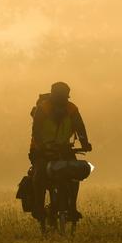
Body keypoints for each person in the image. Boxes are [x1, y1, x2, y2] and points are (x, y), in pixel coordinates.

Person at [29, 82, 92, 231]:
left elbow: (80, 127)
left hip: (64, 149)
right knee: (39, 175)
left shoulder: (72, 109)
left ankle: (72, 208)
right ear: (53, 97)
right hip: (41, 150)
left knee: (74, 173)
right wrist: (43, 147)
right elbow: (36, 132)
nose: (62, 102)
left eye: (64, 99)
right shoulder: (43, 109)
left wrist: (85, 143)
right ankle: (39, 209)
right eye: (59, 98)